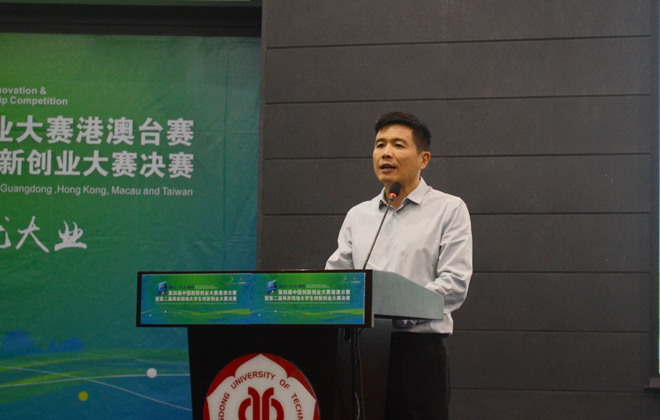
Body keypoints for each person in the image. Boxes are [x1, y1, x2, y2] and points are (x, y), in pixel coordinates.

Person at [325, 111, 473, 420]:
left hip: (417, 355)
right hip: (361, 354)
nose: (386, 153)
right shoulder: (358, 216)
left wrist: (394, 312)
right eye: (380, 145)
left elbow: (454, 284)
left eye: (398, 145)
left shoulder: (449, 209)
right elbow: (336, 280)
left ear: (423, 159)